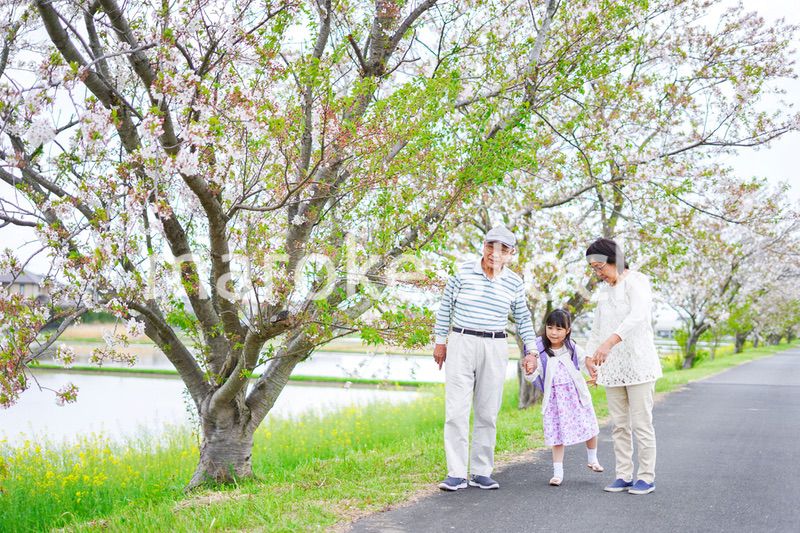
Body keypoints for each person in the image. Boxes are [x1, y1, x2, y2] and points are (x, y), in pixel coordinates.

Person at [433, 225, 537, 491]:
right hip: (462, 340)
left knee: (488, 410)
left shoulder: (514, 282)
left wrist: (532, 350)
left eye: (502, 249)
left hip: (495, 344)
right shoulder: (462, 271)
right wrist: (440, 342)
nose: (495, 253)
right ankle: (456, 473)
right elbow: (445, 309)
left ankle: (481, 471)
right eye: (491, 245)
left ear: (511, 253)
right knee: (456, 410)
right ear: (484, 246)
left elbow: (523, 317)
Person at [584, 238, 662, 495]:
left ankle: (646, 477)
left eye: (600, 267)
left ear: (613, 260)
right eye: (593, 269)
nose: (598, 273)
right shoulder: (605, 291)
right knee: (619, 425)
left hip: (638, 363)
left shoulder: (637, 281)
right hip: (613, 367)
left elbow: (638, 317)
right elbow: (597, 327)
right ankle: (623, 475)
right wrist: (589, 356)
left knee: (641, 423)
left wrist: (609, 343)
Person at [523, 308, 602, 486]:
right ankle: (558, 473)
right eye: (550, 327)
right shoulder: (540, 350)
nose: (553, 332)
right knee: (557, 435)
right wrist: (529, 370)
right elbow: (534, 374)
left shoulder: (572, 347)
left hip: (576, 396)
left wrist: (594, 372)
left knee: (589, 426)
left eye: (559, 329)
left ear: (567, 330)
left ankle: (592, 459)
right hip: (555, 400)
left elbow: (586, 363)